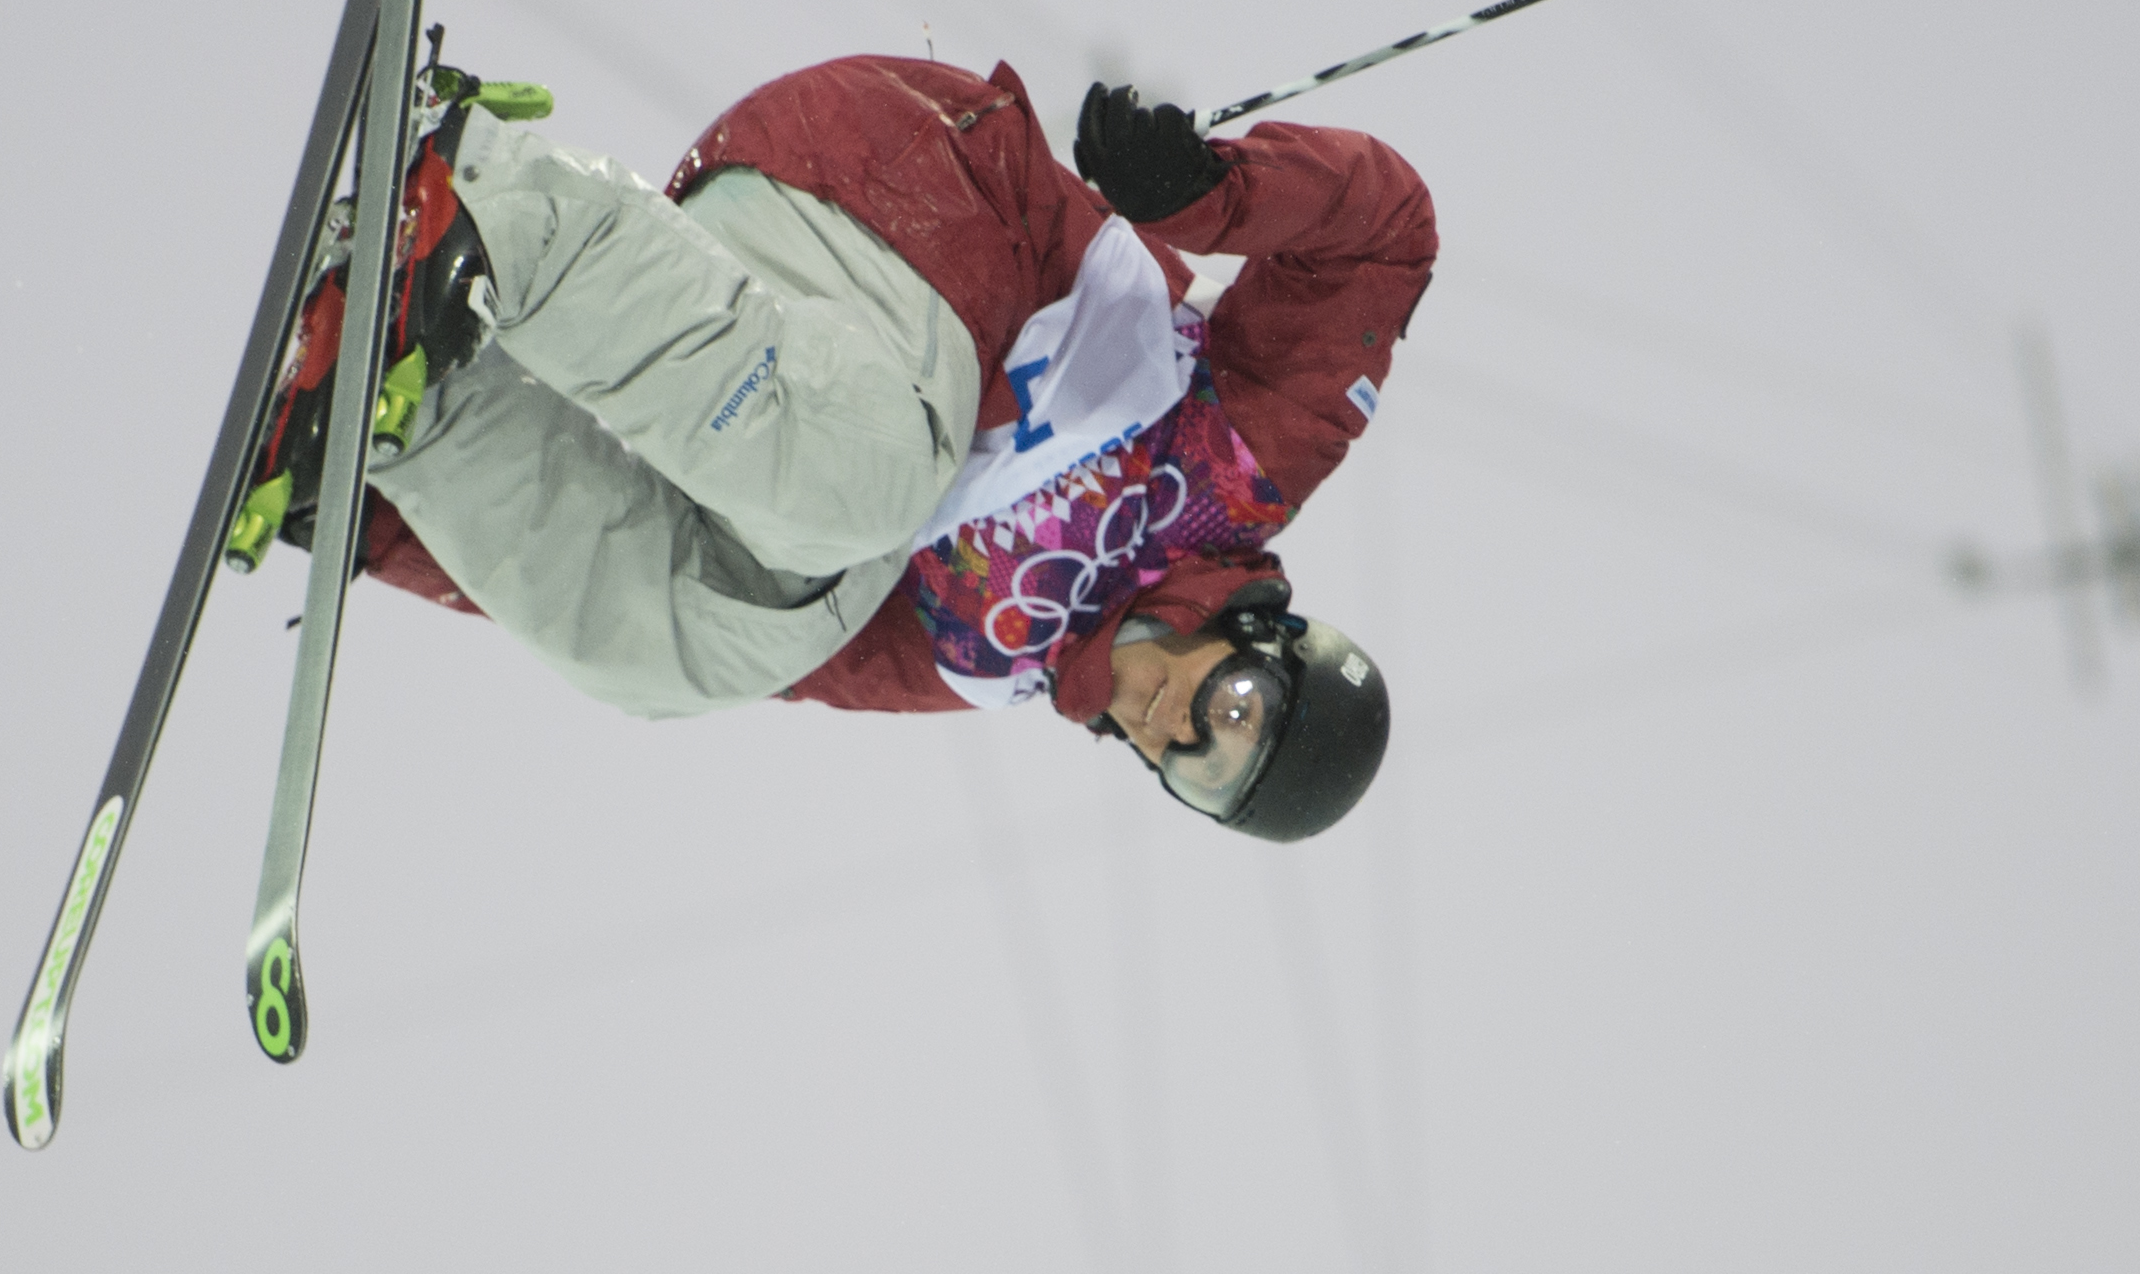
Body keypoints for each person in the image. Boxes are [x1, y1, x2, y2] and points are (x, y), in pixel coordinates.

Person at [237, 55, 1437, 841]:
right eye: (1237, 708)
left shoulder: (985, 659)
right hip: (910, 191)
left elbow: (681, 591)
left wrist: (379, 535)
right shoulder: (1240, 469)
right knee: (870, 489)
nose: (1182, 729)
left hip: (758, 340)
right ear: (1266, 644)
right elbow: (1382, 239)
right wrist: (1203, 194)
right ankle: (489, 209)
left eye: (1201, 772)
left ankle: (400, 418)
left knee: (708, 657)